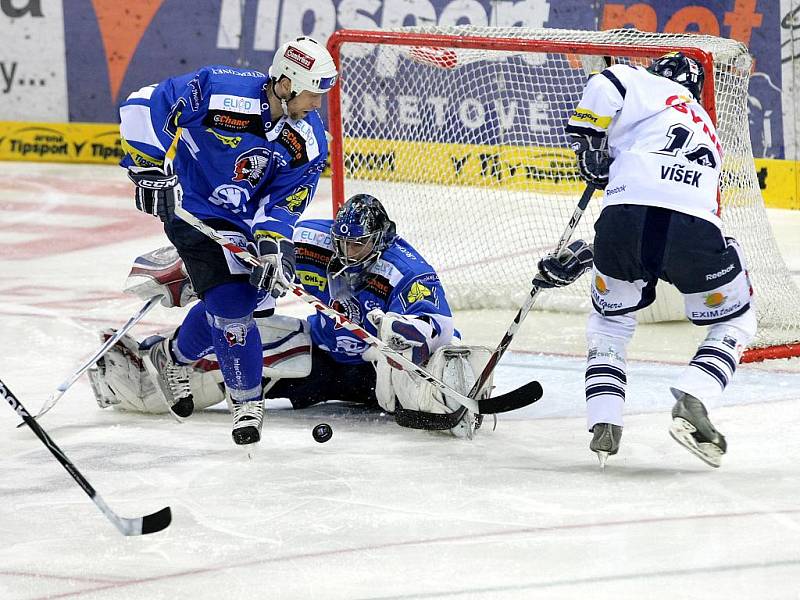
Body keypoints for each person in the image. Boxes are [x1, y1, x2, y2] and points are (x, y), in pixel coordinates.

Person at [89, 195, 495, 439]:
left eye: (359, 245)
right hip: (318, 356)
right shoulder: (312, 243)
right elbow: (243, 250)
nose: (347, 251)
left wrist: (403, 331)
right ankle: (151, 367)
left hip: (377, 375)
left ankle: (456, 398)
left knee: (426, 377)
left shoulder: (407, 271)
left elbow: (440, 328)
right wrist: (196, 268)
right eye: (343, 241)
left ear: (380, 241)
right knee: (235, 327)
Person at [538, 52, 757, 468]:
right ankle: (695, 394)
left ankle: (604, 420)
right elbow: (683, 209)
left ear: (657, 73)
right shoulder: (707, 128)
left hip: (623, 222)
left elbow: (606, 84)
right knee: (737, 318)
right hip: (694, 226)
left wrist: (589, 144)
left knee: (610, 322)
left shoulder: (638, 80)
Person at [117, 37, 338, 449]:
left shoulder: (306, 137)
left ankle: (173, 356)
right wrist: (147, 168)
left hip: (242, 220)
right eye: (312, 94)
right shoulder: (221, 90)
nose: (317, 105)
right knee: (232, 305)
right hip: (190, 204)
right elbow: (142, 102)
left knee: (253, 299)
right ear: (287, 84)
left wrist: (273, 242)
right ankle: (247, 404)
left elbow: (286, 197)